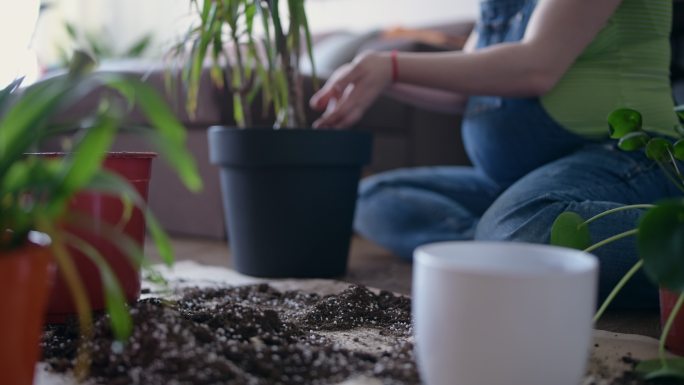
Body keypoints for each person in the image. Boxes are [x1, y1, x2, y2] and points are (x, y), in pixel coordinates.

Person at [309, 0, 680, 309]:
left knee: (520, 229)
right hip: (518, 179)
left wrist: (390, 64)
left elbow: (537, 66)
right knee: (375, 197)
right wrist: (382, 80)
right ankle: (503, 250)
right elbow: (466, 90)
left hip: (625, 159)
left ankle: (510, 245)